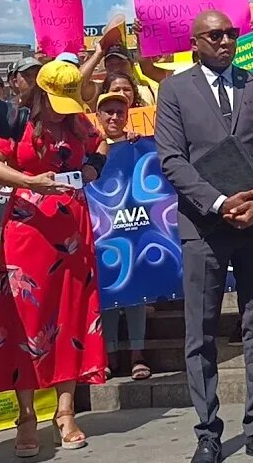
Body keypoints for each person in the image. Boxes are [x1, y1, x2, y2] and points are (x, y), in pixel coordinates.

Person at [153, 10, 253, 463]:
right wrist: (219, 203)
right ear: (196, 42)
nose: (226, 40)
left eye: (232, 33)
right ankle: (208, 431)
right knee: (201, 330)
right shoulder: (175, 90)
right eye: (216, 34)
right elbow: (172, 159)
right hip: (204, 225)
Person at [0, 60, 108, 455]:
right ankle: (27, 416)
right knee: (26, 317)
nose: (61, 111)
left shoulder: (78, 123)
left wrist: (91, 168)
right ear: (38, 92)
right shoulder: (14, 121)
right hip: (26, 227)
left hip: (71, 229)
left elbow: (101, 142)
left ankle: (66, 412)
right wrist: (27, 181)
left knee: (70, 314)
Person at [92, 91, 152, 380]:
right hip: (100, 227)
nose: (114, 117)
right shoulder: (87, 145)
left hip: (133, 224)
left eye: (119, 111)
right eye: (108, 112)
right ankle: (109, 353)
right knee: (105, 291)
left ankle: (137, 354)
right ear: (98, 116)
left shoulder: (137, 144)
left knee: (135, 290)